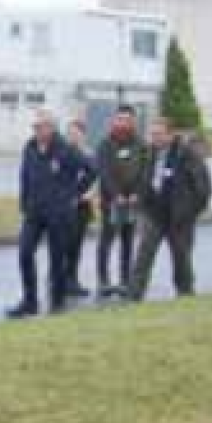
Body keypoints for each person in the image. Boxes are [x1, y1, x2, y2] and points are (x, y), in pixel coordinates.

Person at [8, 108, 97, 318]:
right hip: (34, 211)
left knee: (57, 259)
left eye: (40, 127)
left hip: (59, 213)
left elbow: (91, 170)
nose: (36, 130)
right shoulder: (30, 147)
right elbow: (25, 176)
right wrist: (24, 202)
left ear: (51, 128)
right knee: (25, 252)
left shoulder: (65, 149)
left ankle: (57, 301)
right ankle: (29, 301)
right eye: (35, 127)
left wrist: (75, 194)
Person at [128, 118, 212, 302]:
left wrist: (189, 213)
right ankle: (134, 297)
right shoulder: (147, 153)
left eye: (158, 134)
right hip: (153, 215)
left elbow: (204, 190)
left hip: (179, 219)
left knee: (181, 261)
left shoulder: (187, 155)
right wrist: (141, 200)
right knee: (143, 258)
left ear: (170, 134)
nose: (154, 138)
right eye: (152, 134)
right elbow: (140, 180)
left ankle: (185, 296)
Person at [94, 105, 146, 299]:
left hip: (132, 202)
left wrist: (136, 193)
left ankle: (125, 281)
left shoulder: (140, 144)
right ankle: (103, 281)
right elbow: (104, 171)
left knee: (127, 242)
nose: (123, 123)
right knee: (106, 241)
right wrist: (116, 194)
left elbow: (144, 172)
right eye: (120, 119)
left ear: (133, 122)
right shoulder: (105, 144)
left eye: (127, 119)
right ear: (114, 121)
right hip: (111, 201)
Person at [64, 119, 99, 298]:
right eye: (70, 133)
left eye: (76, 133)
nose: (72, 136)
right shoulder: (63, 153)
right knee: (64, 245)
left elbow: (97, 177)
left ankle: (73, 280)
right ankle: (60, 280)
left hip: (83, 205)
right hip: (66, 205)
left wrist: (91, 193)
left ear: (83, 135)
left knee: (76, 245)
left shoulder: (89, 154)